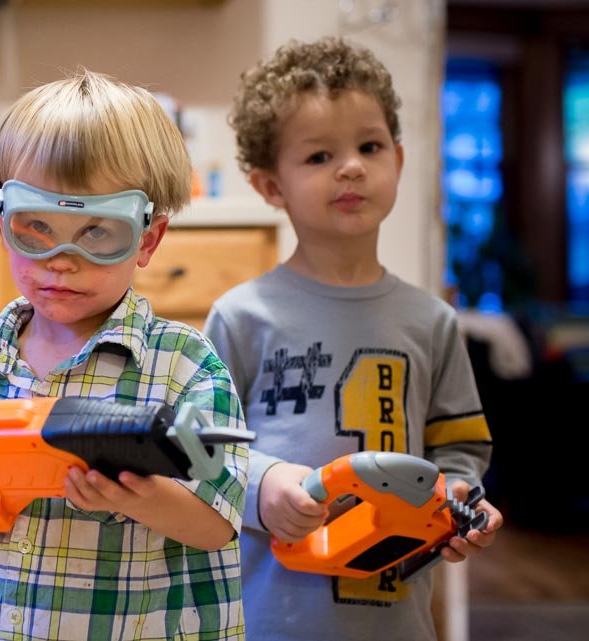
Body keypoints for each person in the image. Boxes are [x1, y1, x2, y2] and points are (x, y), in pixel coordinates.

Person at [0, 70, 249, 641]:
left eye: (97, 233)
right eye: (35, 228)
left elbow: (218, 523)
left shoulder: (185, 366)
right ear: (4, 219)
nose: (61, 260)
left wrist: (143, 495)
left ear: (148, 240)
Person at [203, 37, 504, 641]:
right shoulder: (241, 317)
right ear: (269, 185)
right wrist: (262, 487)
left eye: (369, 147)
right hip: (269, 619)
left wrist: (461, 500)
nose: (351, 167)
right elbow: (201, 449)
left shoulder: (432, 322)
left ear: (397, 156)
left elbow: (460, 446)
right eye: (318, 156)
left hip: (398, 618)